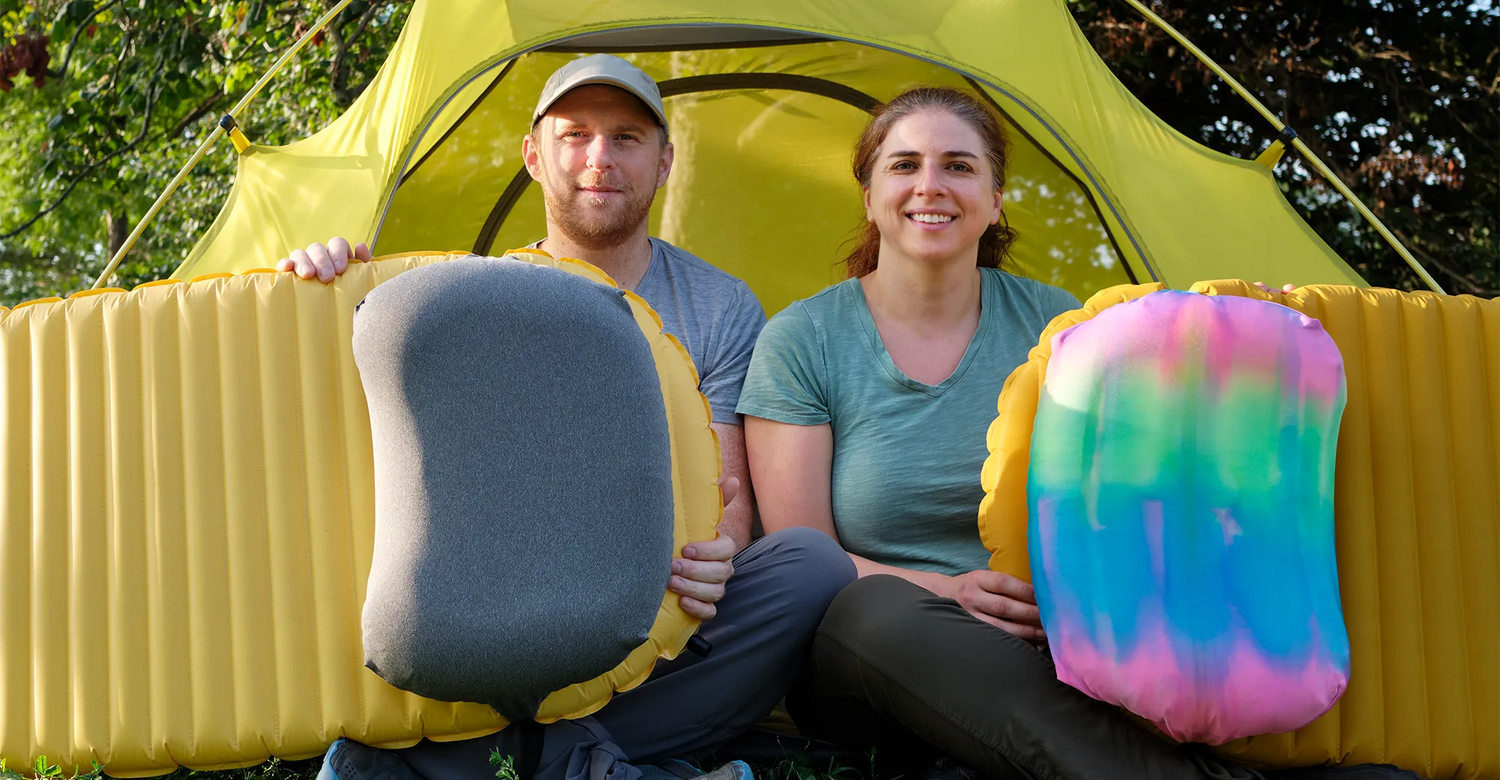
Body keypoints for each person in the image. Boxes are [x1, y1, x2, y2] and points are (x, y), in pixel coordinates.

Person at [736, 86, 1419, 780]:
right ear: (870, 193)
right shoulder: (804, 339)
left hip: (1048, 642)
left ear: (996, 199)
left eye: (959, 166)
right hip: (868, 648)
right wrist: (952, 593)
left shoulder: (1060, 328)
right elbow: (805, 560)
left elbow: (1151, 460)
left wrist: (1253, 329)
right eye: (904, 165)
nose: (930, 186)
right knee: (877, 611)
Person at [294, 55, 854, 780]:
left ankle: (478, 760)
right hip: (500, 616)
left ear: (664, 162)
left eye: (626, 138)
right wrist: (324, 288)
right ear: (534, 156)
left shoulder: (722, 307)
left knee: (809, 566)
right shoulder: (461, 301)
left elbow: (723, 503)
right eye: (575, 135)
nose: (600, 159)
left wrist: (718, 556)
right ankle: (586, 760)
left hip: (653, 624)